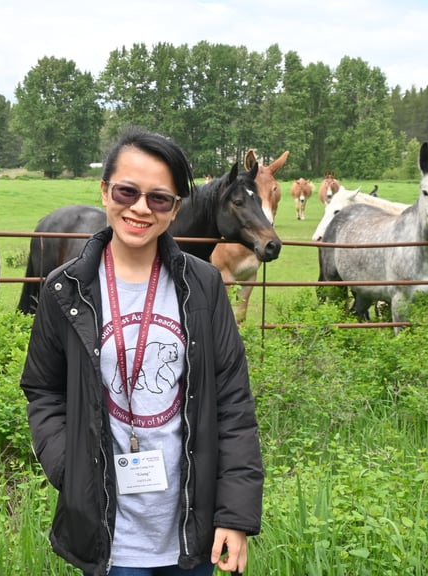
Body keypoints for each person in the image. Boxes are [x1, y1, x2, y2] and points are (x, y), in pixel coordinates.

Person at [21, 127, 264, 576]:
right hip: (110, 534)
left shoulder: (204, 286)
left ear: (175, 210)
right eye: (127, 191)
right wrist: (70, 468)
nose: (139, 208)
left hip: (193, 530)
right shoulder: (65, 288)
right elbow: (44, 390)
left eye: (159, 198)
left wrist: (234, 514)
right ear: (104, 191)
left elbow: (233, 404)